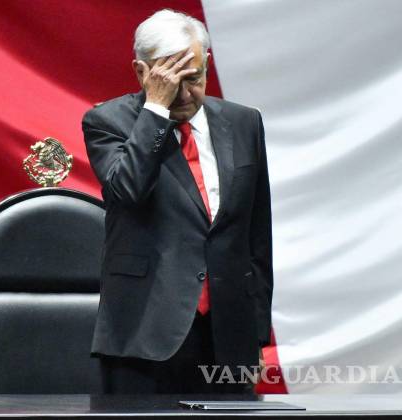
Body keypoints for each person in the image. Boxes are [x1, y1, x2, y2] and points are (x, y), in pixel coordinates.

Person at [82, 9, 273, 394]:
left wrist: (255, 333)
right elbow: (128, 190)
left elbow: (256, 235)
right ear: (142, 73)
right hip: (145, 333)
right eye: (172, 82)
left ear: (208, 64)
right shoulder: (108, 122)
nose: (186, 95)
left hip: (229, 334)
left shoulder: (244, 123)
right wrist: (156, 110)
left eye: (194, 78)